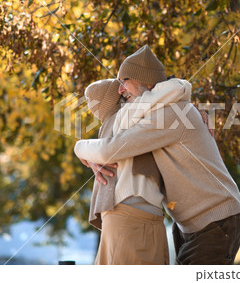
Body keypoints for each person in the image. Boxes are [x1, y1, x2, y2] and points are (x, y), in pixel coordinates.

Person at [75, 45, 240, 265]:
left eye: (124, 81)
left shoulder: (169, 115)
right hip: (191, 223)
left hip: (215, 219)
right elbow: (115, 117)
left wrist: (79, 147)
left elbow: (110, 149)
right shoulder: (166, 110)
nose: (120, 90)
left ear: (146, 82)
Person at [81, 77, 190, 264]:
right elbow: (178, 87)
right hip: (133, 216)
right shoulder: (126, 116)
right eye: (121, 87)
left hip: (131, 217)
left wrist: (80, 147)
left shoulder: (118, 122)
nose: (123, 90)